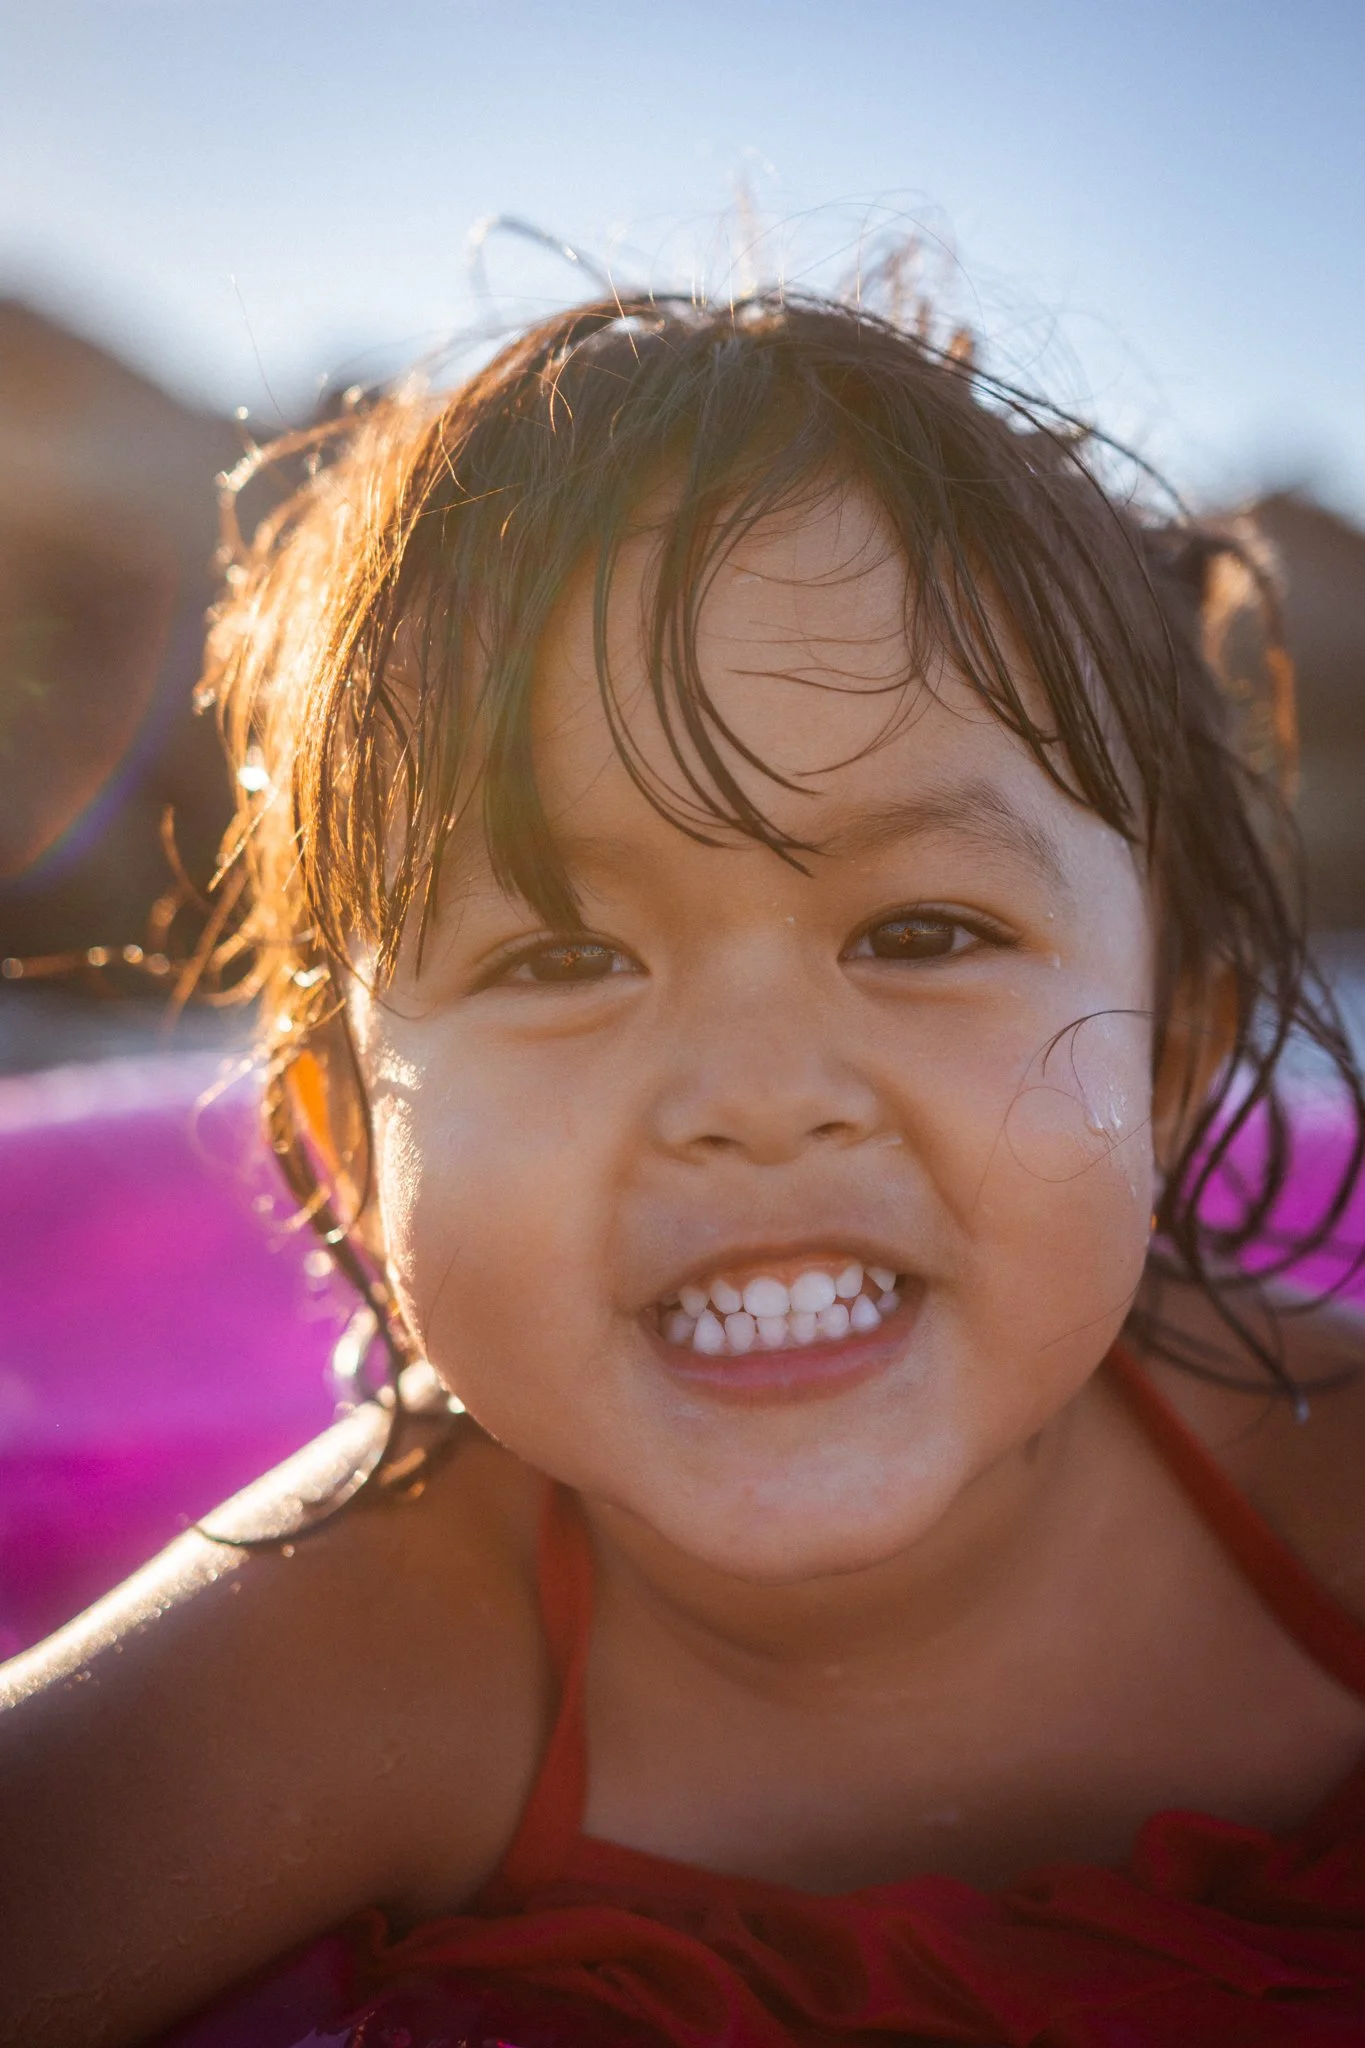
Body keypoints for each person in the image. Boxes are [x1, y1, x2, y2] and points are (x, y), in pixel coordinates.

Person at [3, 289, 1365, 2048]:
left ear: (1171, 1066)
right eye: (562, 957)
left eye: (926, 928)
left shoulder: (1321, 1502)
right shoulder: (399, 1636)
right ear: (350, 1144)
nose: (757, 1094)